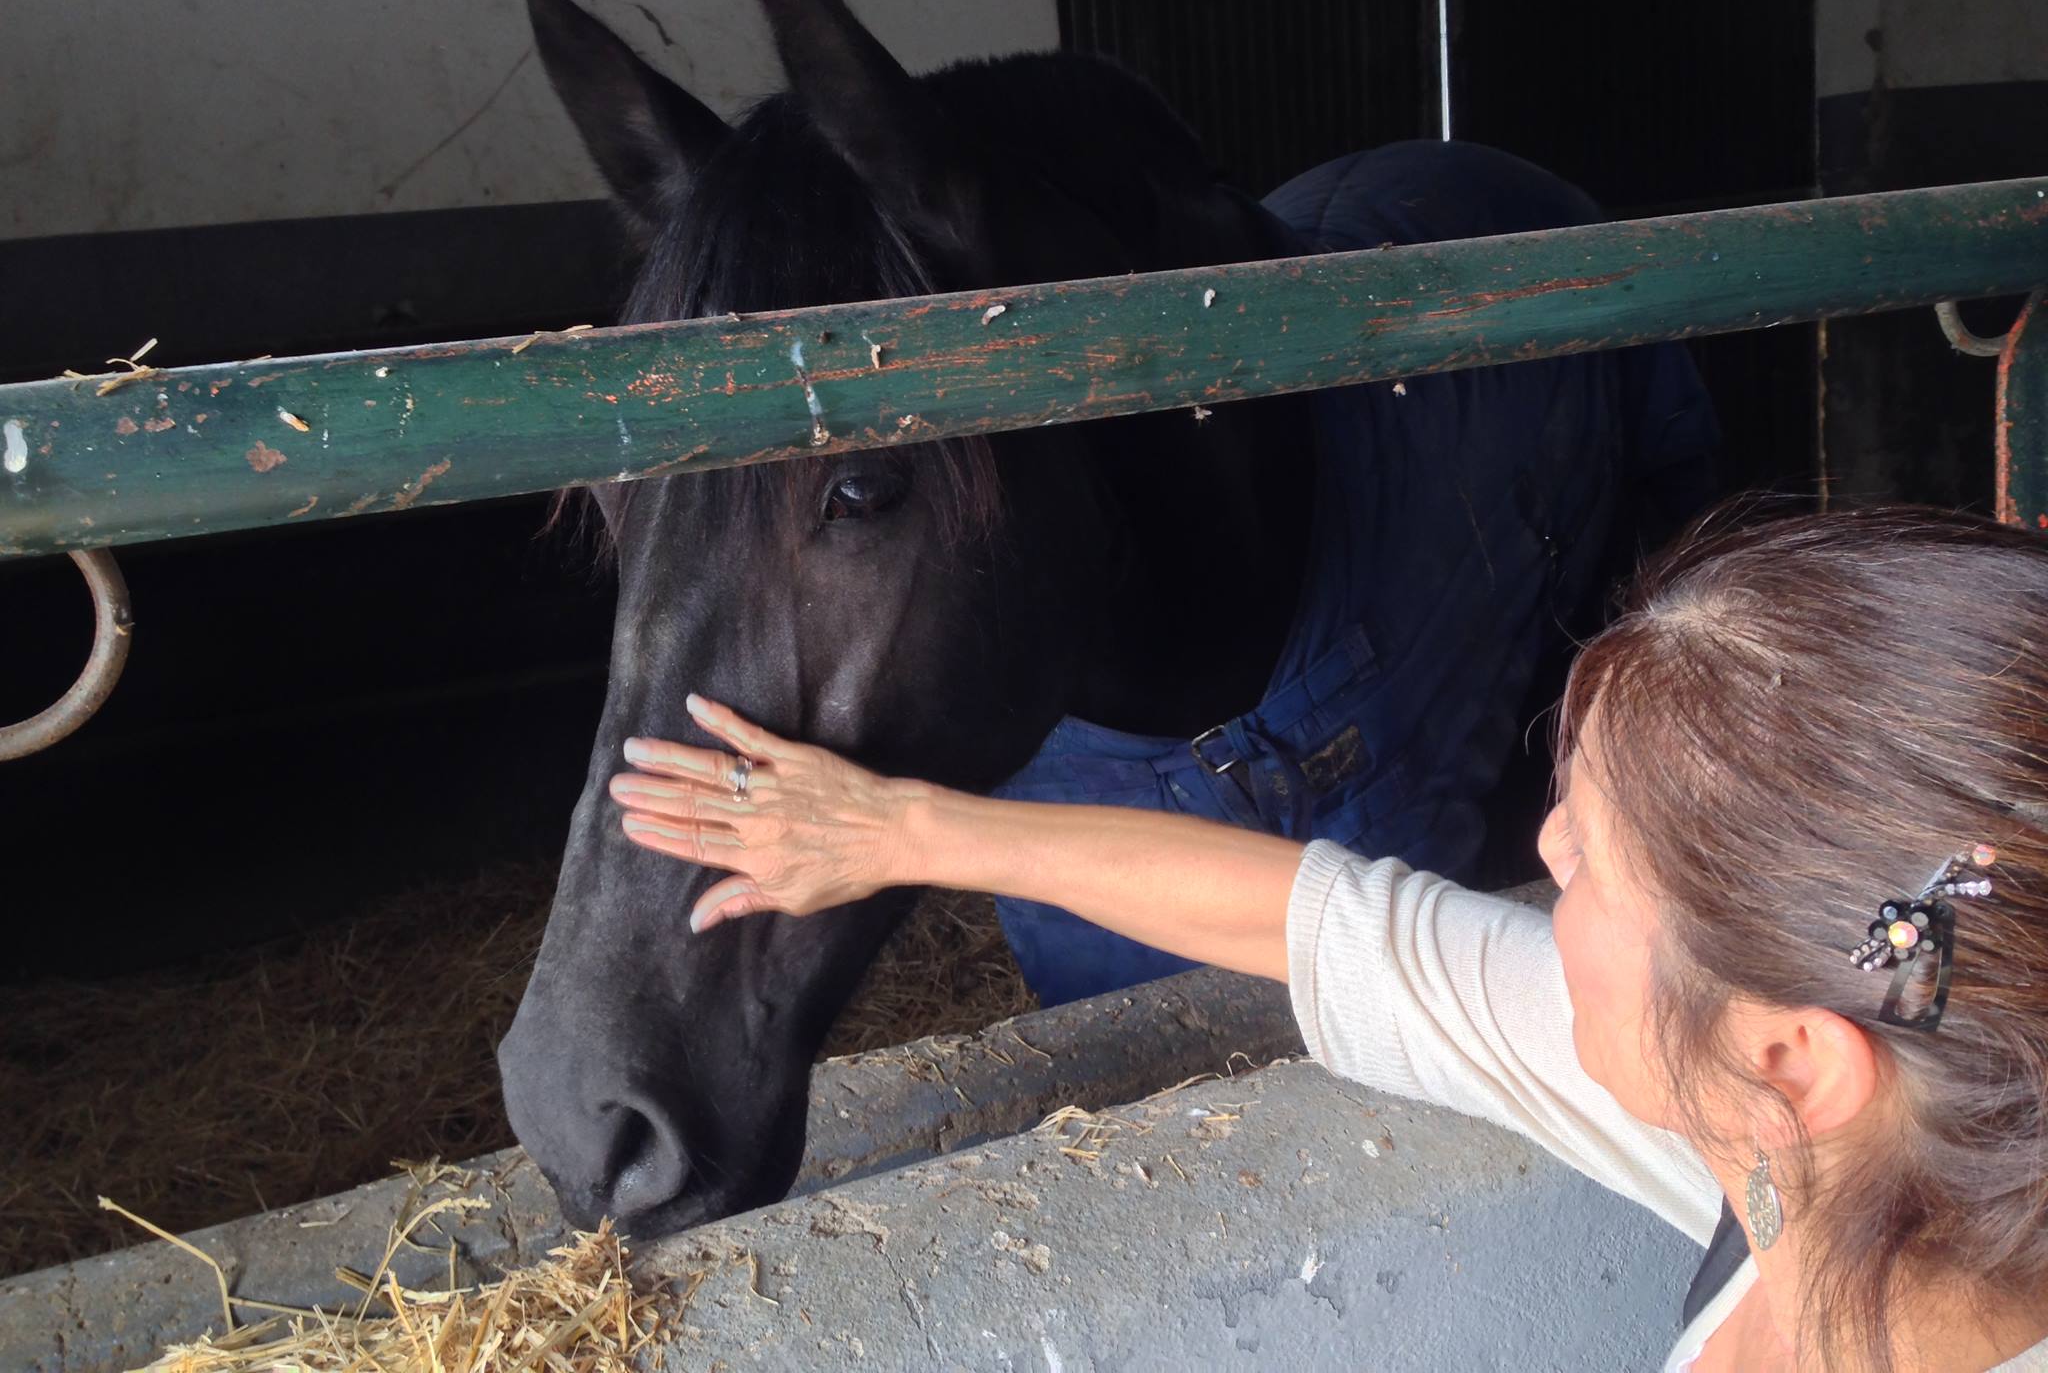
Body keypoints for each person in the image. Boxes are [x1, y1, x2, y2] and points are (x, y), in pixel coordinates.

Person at [605, 507, 2048, 1373]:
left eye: (1594, 859)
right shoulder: (1828, 1171)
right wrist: (907, 834)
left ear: (1790, 1059)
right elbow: (1337, 924)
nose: (1537, 855)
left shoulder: (1792, 1163)